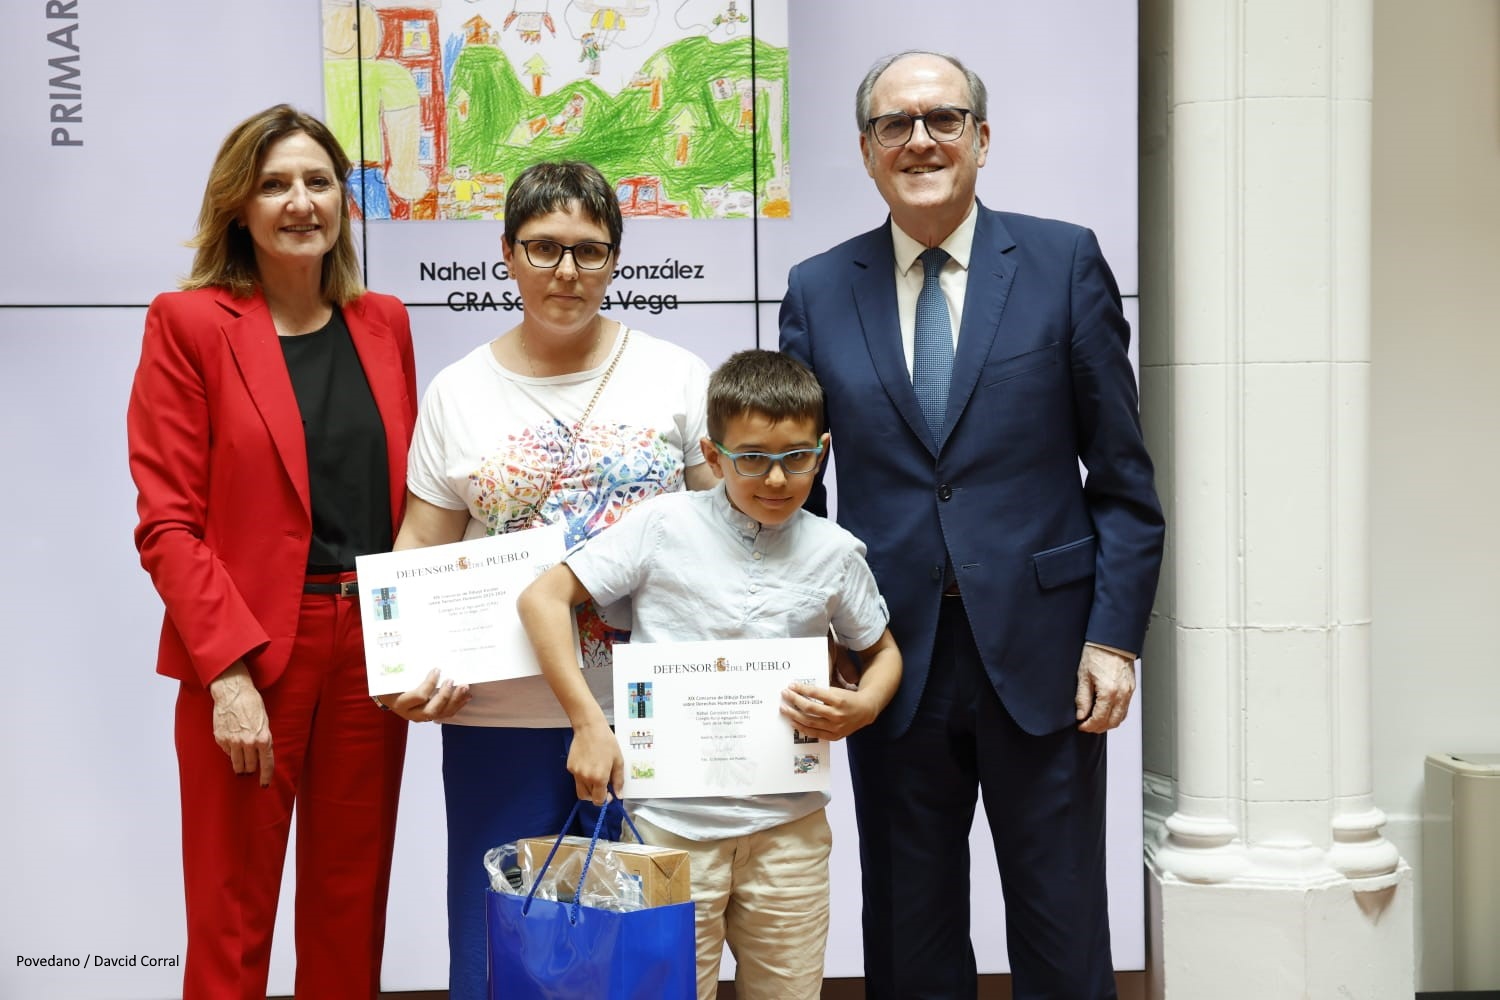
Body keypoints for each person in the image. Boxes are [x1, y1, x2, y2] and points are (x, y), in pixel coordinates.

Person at [779, 51, 1165, 998]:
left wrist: (1113, 638)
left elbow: (1121, 478)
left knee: (1064, 925)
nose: (920, 140)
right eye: (893, 126)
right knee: (910, 939)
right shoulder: (819, 289)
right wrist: (815, 637)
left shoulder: (1064, 260)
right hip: (888, 664)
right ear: (866, 153)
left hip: (1048, 657)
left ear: (983, 140)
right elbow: (801, 496)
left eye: (944, 119)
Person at [385, 159, 718, 999]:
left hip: (649, 716)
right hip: (501, 719)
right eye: (543, 248)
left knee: (642, 966)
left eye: (589, 249)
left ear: (615, 258)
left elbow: (730, 534)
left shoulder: (677, 376)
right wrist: (397, 669)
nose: (566, 270)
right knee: (504, 957)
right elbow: (421, 542)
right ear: (506, 254)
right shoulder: (459, 392)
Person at [127, 104, 424, 999]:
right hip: (252, 654)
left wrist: (422, 643)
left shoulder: (385, 322)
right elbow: (167, 523)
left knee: (350, 909)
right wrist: (226, 675)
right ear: (238, 209)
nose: (301, 202)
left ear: (344, 199)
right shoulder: (188, 324)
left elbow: (414, 503)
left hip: (370, 651)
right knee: (231, 920)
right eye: (275, 184)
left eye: (318, 181)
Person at [518, 349, 903, 1000]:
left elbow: (883, 652)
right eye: (752, 457)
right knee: (665, 992)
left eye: (797, 457)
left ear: (823, 450)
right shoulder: (660, 526)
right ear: (713, 452)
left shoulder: (836, 552)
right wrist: (590, 723)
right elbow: (542, 599)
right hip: (667, 827)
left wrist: (864, 706)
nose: (776, 479)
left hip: (789, 829)